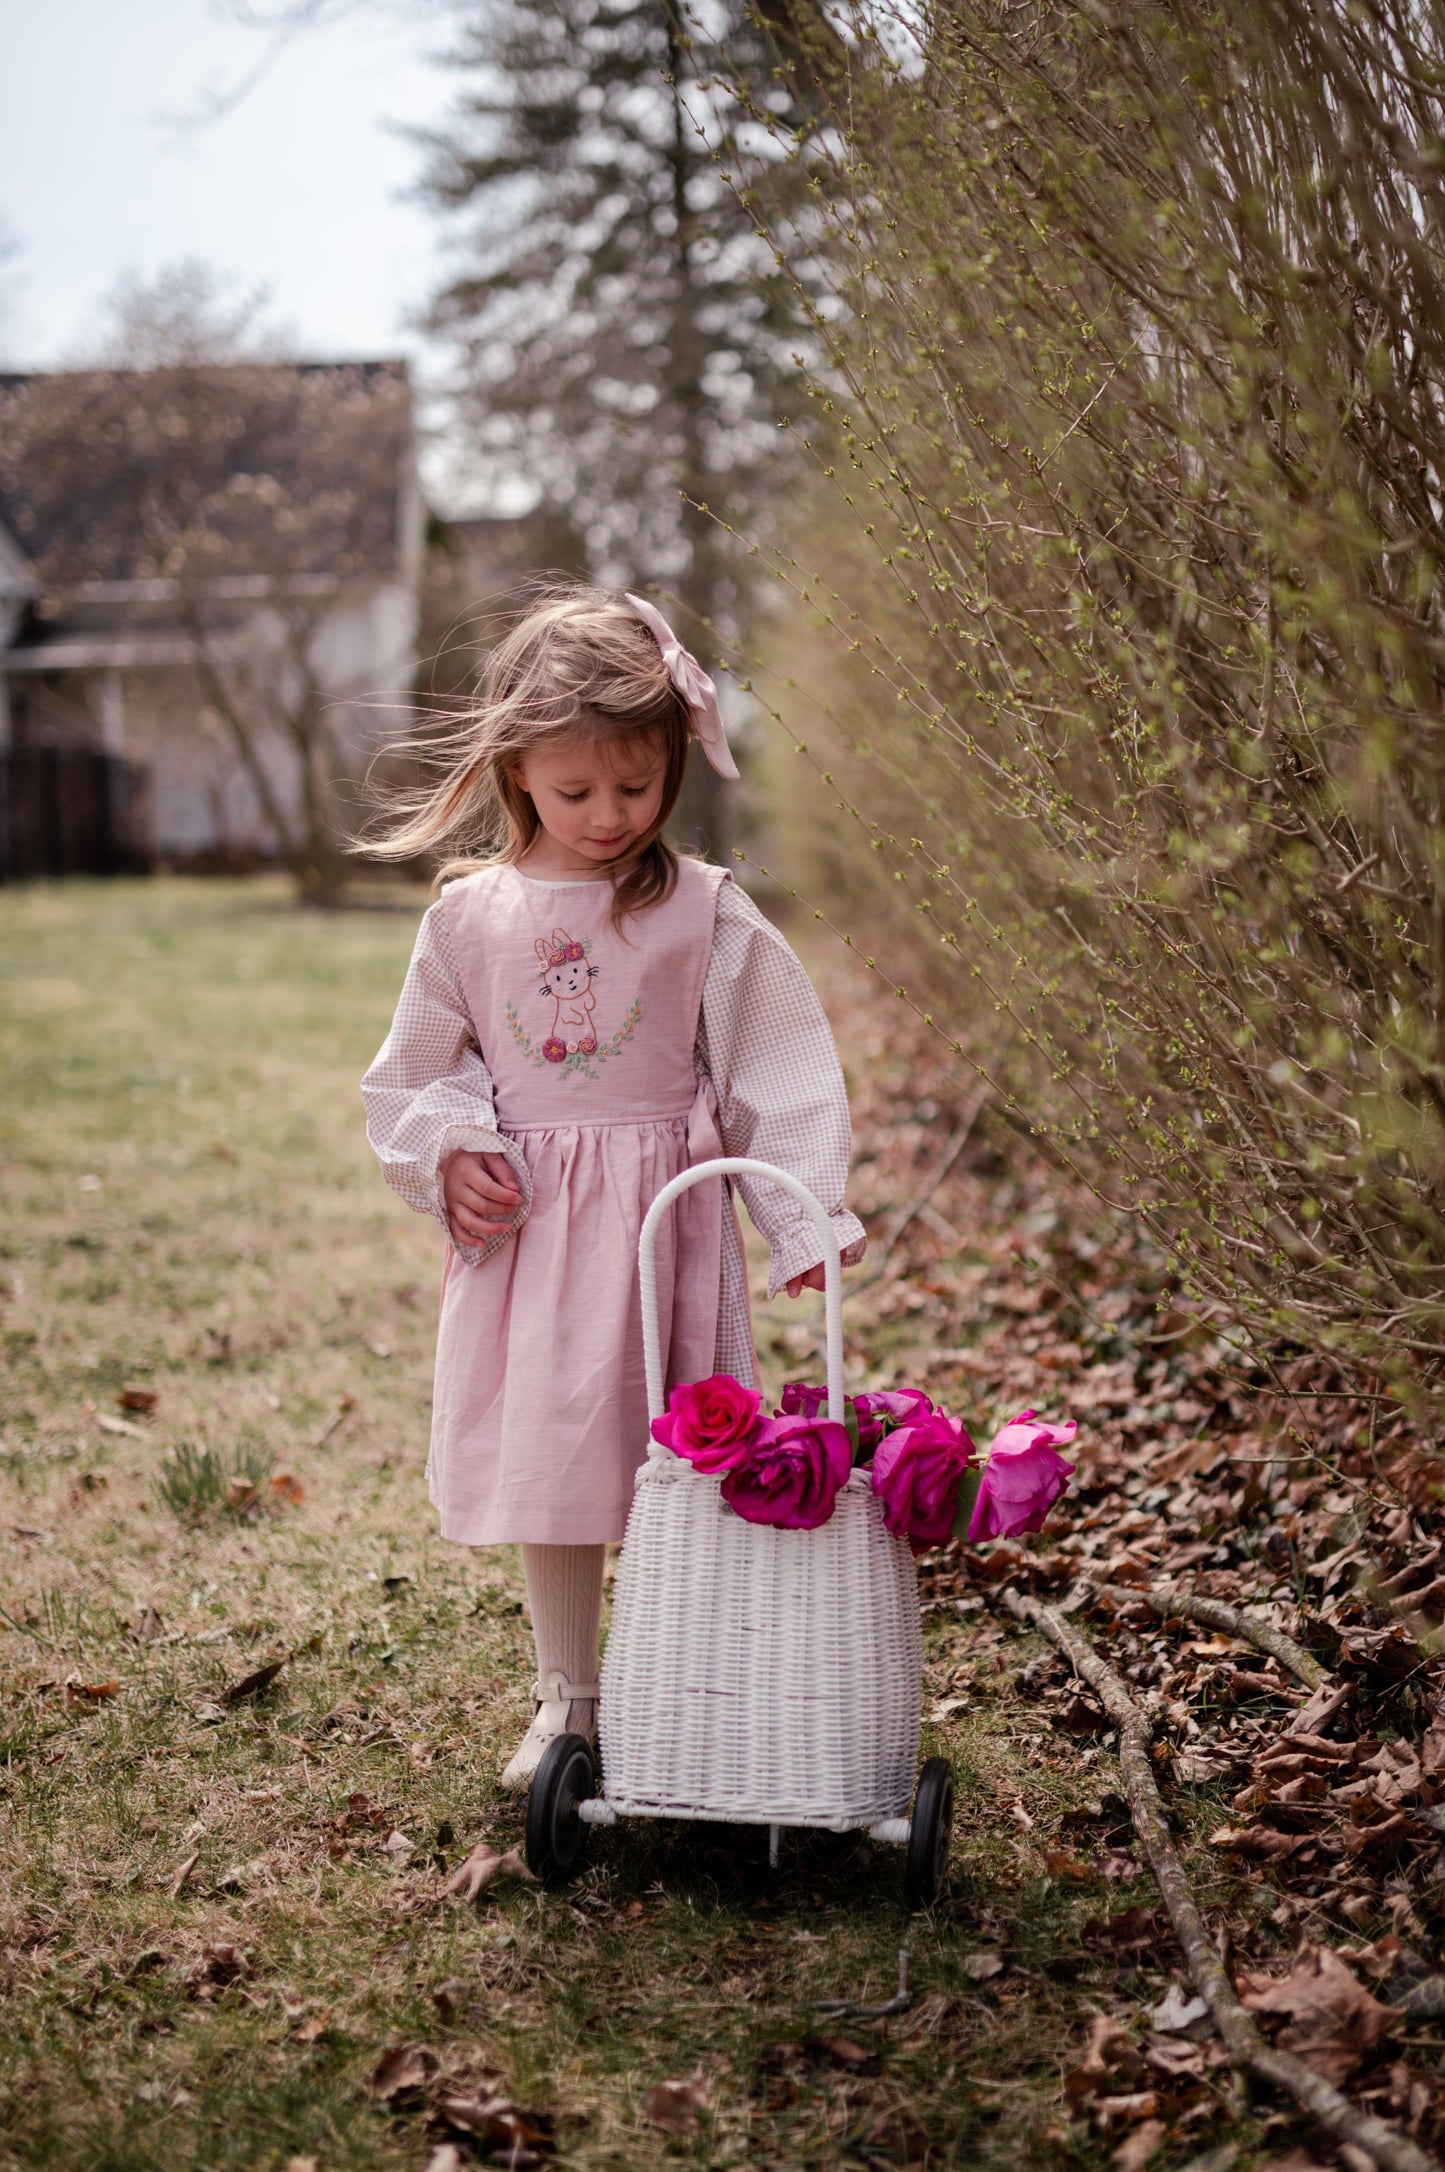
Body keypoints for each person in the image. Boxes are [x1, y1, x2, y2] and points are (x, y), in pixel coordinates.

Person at [361, 587, 865, 1788]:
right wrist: (449, 1149)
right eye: (573, 791)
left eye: (633, 789)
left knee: (677, 1459)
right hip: (534, 1235)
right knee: (554, 1464)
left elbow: (774, 1058)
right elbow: (419, 1072)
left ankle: (679, 1673)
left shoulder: (701, 910)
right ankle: (568, 1696)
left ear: (674, 765)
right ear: (516, 770)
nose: (605, 817)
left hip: (663, 1225)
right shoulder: (468, 921)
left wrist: (800, 1206)